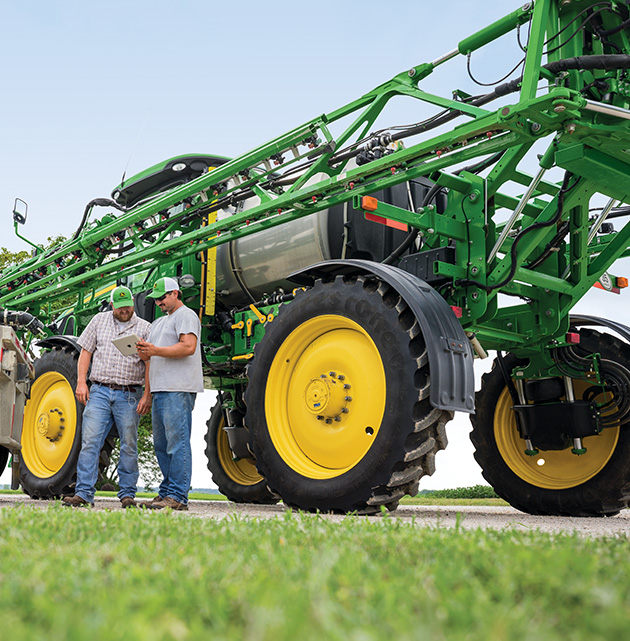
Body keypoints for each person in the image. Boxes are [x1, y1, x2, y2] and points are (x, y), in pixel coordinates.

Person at [62, 286, 152, 508]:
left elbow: (150, 363)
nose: (125, 310)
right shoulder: (98, 321)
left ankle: (128, 494)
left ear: (133, 303)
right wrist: (81, 382)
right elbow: (85, 352)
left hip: (130, 394)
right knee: (90, 442)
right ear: (113, 305)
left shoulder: (145, 328)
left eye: (128, 306)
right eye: (120, 307)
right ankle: (83, 493)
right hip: (100, 391)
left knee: (129, 444)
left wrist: (147, 395)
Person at [136, 276, 203, 511]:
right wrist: (145, 352)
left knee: (177, 443)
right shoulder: (158, 323)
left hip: (179, 388)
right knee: (161, 445)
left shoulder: (187, 315)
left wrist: (155, 350)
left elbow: (188, 347)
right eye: (155, 299)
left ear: (175, 293)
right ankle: (166, 492)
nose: (158, 303)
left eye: (162, 298)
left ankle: (178, 496)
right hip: (161, 389)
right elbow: (152, 357)